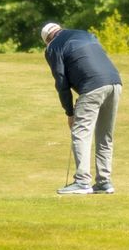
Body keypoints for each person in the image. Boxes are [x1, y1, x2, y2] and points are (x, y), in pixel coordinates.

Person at [41, 21, 122, 195]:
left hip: (92, 86)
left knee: (80, 132)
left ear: (47, 40)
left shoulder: (53, 47)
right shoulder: (84, 33)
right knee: (105, 135)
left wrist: (70, 113)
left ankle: (82, 181)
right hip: (115, 82)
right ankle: (104, 182)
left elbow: (61, 81)